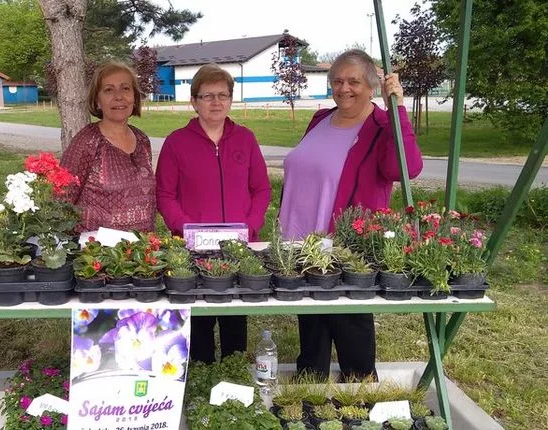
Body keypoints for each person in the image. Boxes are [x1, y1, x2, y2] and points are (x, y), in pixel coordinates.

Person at [278, 49, 424, 380]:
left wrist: (398, 109)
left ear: (372, 86)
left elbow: (406, 167)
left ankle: (359, 390)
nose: (344, 88)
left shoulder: (382, 125)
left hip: (346, 243)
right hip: (301, 238)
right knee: (311, 320)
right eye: (338, 81)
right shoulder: (320, 119)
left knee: (350, 321)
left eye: (354, 81)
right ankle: (310, 388)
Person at [156, 64, 272, 364]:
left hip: (239, 248)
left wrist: (251, 225)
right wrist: (184, 229)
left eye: (223, 95)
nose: (216, 102)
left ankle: (234, 374)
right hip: (193, 250)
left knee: (234, 318)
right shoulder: (176, 143)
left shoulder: (245, 139)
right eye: (207, 96)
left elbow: (261, 189)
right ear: (194, 102)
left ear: (231, 99)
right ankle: (199, 374)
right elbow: (165, 195)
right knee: (199, 321)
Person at [60, 62, 156, 233]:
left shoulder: (142, 140)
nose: (118, 96)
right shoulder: (88, 140)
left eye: (125, 88)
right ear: (97, 100)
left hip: (142, 246)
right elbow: (62, 199)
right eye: (109, 90)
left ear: (134, 97)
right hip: (95, 247)